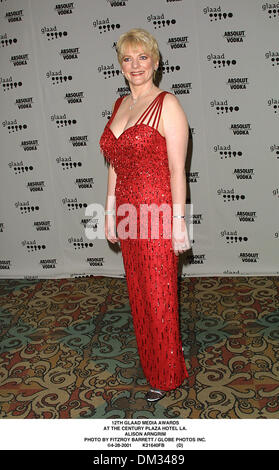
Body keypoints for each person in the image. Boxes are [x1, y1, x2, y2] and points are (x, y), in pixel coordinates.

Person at [99, 28, 191, 402]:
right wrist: (109, 212)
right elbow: (115, 164)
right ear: (120, 65)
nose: (135, 65)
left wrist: (179, 222)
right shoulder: (120, 105)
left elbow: (176, 170)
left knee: (159, 296)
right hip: (126, 211)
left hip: (155, 213)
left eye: (142, 57)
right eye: (127, 58)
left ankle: (168, 375)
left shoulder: (167, 104)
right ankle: (155, 358)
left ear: (155, 62)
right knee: (138, 293)